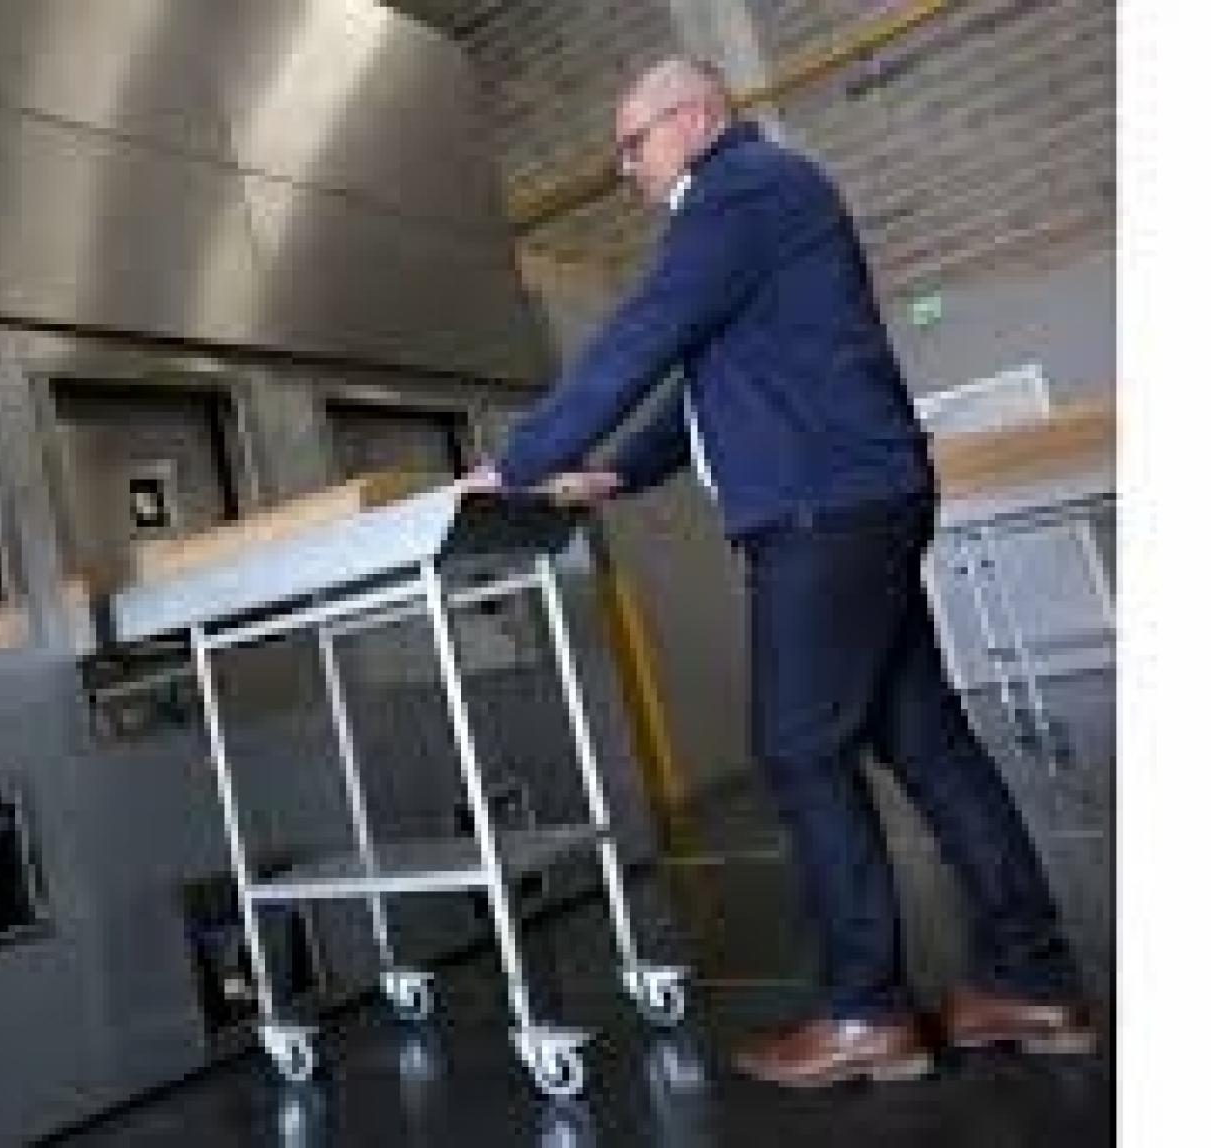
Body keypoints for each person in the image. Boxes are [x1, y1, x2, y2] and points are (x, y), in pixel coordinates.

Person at [463, 57, 1095, 1087]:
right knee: (925, 739)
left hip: (822, 508)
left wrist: (518, 462)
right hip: (857, 496)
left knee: (800, 752)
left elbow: (643, 334)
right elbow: (711, 385)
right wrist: (615, 471)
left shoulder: (739, 191)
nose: (624, 167)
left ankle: (866, 1011)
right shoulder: (763, 201)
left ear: (694, 117)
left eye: (633, 142)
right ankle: (1029, 979)